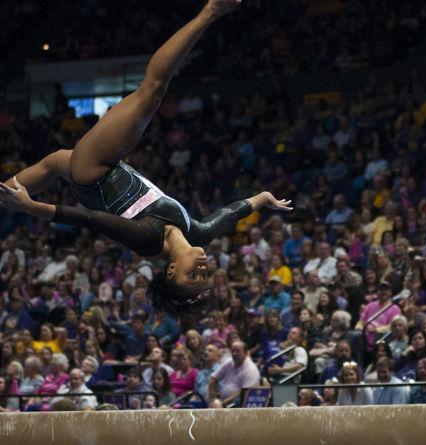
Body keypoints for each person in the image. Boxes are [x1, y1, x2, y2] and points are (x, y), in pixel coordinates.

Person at [0, 0, 292, 317]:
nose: (202, 268)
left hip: (95, 170)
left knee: (152, 90)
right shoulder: (198, 233)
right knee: (53, 163)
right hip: (100, 172)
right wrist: (263, 198)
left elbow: (89, 219)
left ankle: (209, 11)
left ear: (170, 272)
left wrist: (32, 208)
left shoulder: (148, 238)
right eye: (203, 276)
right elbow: (232, 212)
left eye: (191, 275)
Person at [208, 341, 260, 406]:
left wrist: (223, 403)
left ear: (246, 353)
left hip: (238, 404)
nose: (234, 354)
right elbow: (213, 379)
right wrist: (213, 398)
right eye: (232, 351)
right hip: (223, 400)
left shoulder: (251, 370)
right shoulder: (229, 361)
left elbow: (243, 393)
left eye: (237, 351)